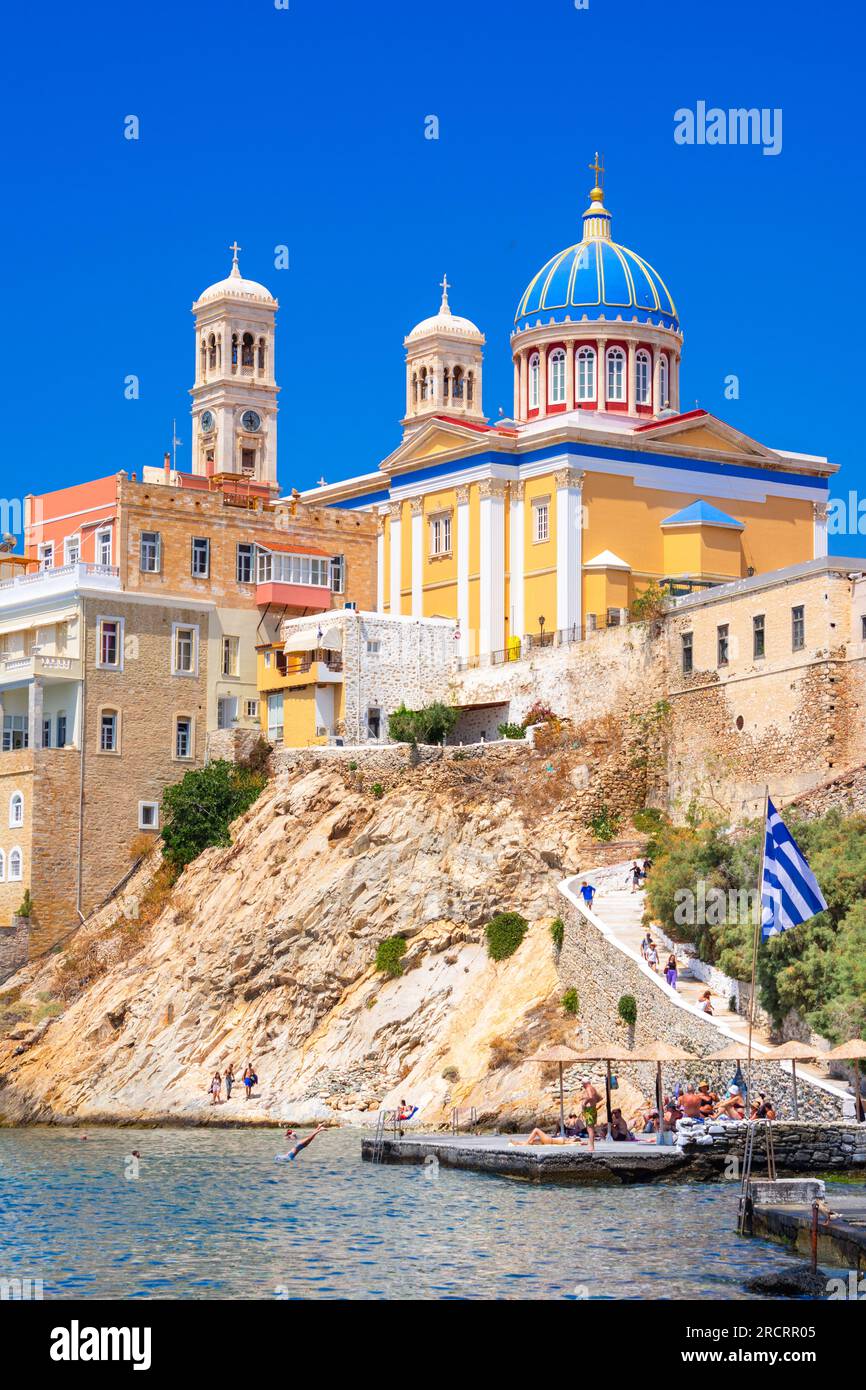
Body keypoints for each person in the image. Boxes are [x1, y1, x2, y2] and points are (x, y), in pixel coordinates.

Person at [579, 1079, 600, 1154]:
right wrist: (593, 1102)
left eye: (582, 1084)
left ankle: (591, 1147)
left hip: (589, 1110)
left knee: (589, 1129)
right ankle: (591, 1146)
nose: (582, 1086)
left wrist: (584, 1103)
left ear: (585, 1083)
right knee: (591, 1128)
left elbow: (590, 1096)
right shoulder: (593, 1088)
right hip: (593, 1109)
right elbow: (599, 1097)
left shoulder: (588, 1088)